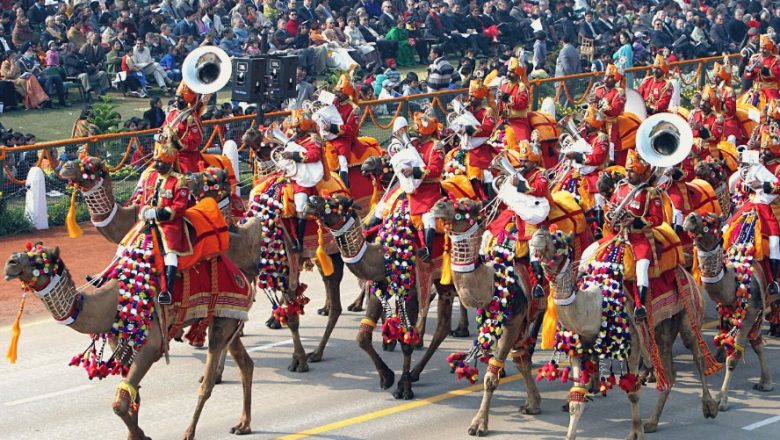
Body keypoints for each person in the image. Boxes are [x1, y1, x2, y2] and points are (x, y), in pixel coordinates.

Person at [605, 150, 665, 321]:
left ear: (640, 173)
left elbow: (657, 219)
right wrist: (610, 217)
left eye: (632, 171)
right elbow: (611, 208)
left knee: (642, 266)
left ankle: (641, 305)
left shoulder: (650, 193)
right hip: (618, 236)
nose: (628, 174)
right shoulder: (620, 188)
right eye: (627, 170)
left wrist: (637, 221)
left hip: (639, 238)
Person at [137, 141, 193, 305]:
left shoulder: (179, 181)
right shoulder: (150, 176)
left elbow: (179, 207)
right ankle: (107, 275)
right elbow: (144, 199)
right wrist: (144, 211)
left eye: (161, 161)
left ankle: (166, 291)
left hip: (170, 224)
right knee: (127, 243)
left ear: (169, 163)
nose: (156, 164)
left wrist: (158, 213)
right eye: (156, 160)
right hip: (148, 221)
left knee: (170, 254)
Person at [403, 111, 444, 262]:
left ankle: (427, 249)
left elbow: (435, 171)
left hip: (429, 191)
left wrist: (413, 171)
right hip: (412, 189)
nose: (416, 129)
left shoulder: (436, 146)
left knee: (428, 218)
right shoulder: (413, 144)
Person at [281, 110, 325, 252]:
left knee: (300, 204)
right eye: (294, 128)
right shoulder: (291, 137)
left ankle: (298, 241)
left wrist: (293, 155)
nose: (295, 130)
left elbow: (314, 155)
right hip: (289, 174)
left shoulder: (313, 138)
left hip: (304, 178)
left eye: (298, 127)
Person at [589, 64, 626, 165]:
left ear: (615, 79)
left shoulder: (620, 93)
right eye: (606, 76)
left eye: (610, 77)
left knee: (610, 151)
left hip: (610, 125)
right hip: (595, 123)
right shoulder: (598, 89)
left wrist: (599, 101)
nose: (606, 79)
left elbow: (615, 111)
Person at [743, 34, 780, 108]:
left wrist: (762, 68)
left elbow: (776, 76)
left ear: (770, 49)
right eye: (761, 48)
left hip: (770, 91)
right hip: (755, 91)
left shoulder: (776, 60)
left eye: (765, 48)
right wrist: (750, 70)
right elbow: (747, 77)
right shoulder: (755, 57)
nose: (762, 51)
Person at [498, 57, 531, 140]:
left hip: (518, 122)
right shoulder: (504, 86)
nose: (508, 74)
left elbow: (521, 104)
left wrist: (505, 97)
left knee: (523, 143)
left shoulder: (522, 87)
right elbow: (500, 106)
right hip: (504, 121)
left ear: (518, 74)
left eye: (512, 72)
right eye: (508, 71)